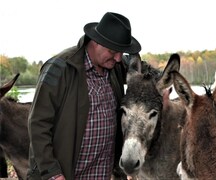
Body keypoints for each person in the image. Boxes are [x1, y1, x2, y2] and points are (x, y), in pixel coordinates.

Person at [27, 12, 141, 180]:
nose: (118, 58)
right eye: (113, 51)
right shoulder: (59, 68)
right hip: (63, 175)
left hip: (101, 174)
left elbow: (142, 69)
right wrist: (52, 172)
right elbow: (38, 125)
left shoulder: (115, 65)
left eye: (121, 52)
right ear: (95, 42)